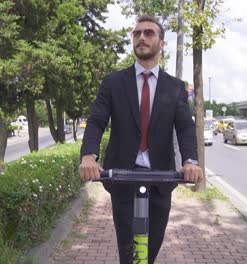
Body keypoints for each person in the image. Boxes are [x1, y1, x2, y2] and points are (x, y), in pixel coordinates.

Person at [79, 15, 203, 264]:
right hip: (123, 177)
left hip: (161, 178)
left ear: (162, 43)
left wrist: (190, 160)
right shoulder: (113, 82)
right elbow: (96, 120)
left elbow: (186, 128)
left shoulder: (176, 87)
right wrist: (88, 155)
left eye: (148, 33)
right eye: (137, 34)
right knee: (129, 252)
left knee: (150, 252)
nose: (141, 38)